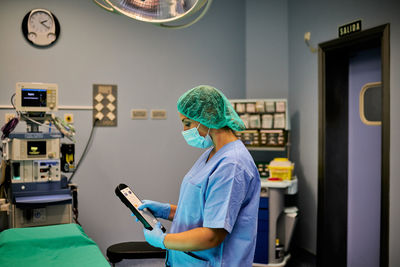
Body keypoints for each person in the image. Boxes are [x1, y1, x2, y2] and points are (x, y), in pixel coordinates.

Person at [138, 85, 261, 267]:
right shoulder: (213, 153)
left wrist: (163, 240)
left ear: (208, 116)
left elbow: (212, 236)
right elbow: (207, 211)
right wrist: (167, 211)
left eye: (187, 123)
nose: (184, 130)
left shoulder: (231, 165)